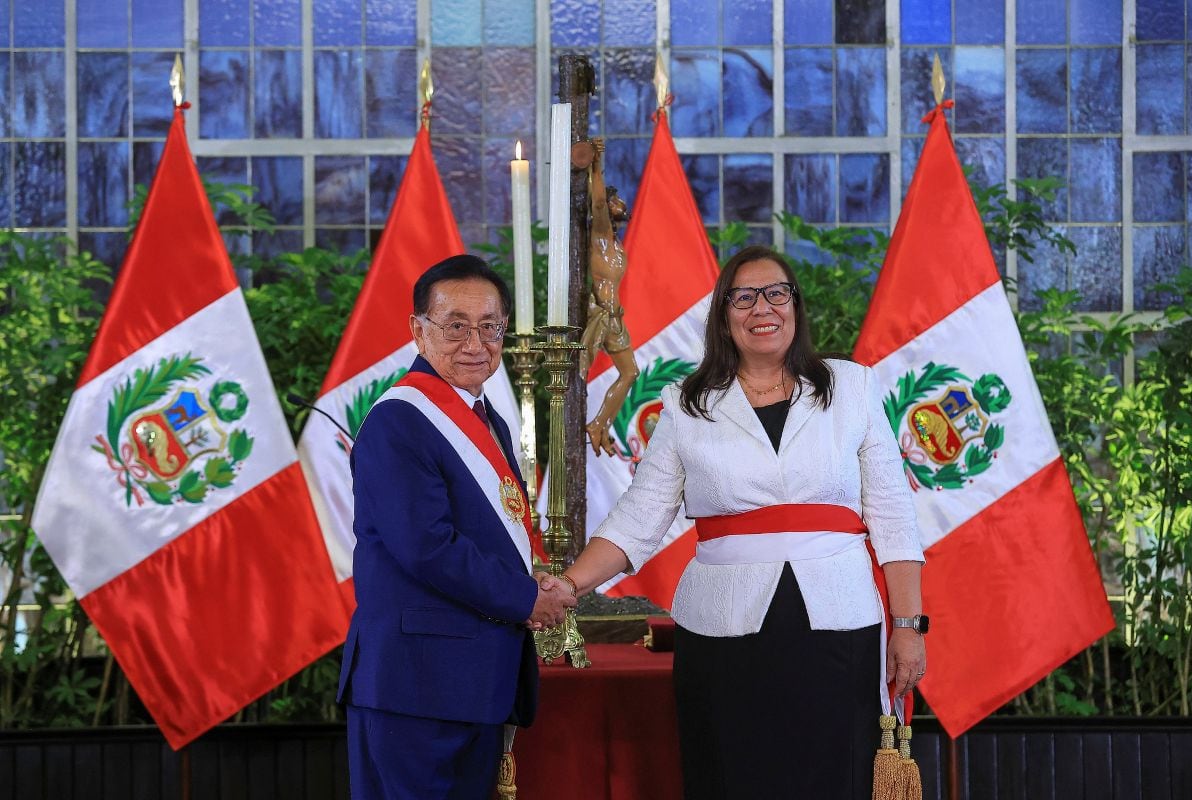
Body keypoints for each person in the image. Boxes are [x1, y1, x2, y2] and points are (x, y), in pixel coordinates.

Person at [543, 245, 927, 798]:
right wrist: (570, 584)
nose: (762, 308)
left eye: (776, 293)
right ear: (724, 315)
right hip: (722, 632)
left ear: (795, 306)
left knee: (832, 777)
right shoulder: (687, 403)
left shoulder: (852, 388)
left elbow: (893, 515)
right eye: (743, 297)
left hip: (839, 626)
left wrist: (909, 627)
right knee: (732, 777)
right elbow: (639, 518)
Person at [338, 254, 578, 799]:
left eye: (490, 326)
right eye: (455, 326)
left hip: (471, 679)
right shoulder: (399, 420)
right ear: (417, 331)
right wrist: (525, 598)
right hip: (415, 685)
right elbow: (426, 547)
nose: (476, 342)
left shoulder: (485, 416)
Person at [579, 138, 640, 456]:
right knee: (578, 373)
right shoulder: (601, 236)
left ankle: (600, 423)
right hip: (600, 316)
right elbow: (599, 202)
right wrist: (596, 165)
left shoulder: (616, 246)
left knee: (631, 372)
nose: (622, 205)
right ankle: (592, 424)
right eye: (618, 201)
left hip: (615, 317)